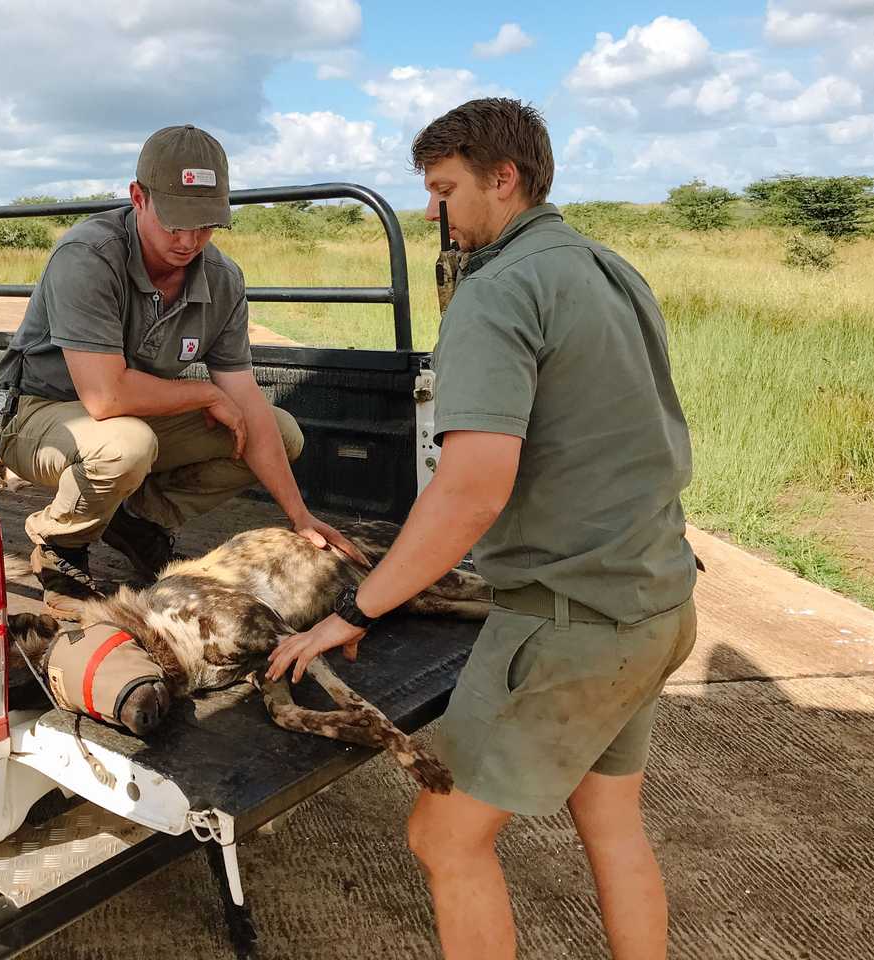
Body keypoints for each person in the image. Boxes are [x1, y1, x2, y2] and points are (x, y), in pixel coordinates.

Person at [267, 98, 699, 960]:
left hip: (571, 623)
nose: (433, 212)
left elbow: (469, 493)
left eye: (444, 189)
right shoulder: (608, 268)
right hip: (656, 599)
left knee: (444, 837)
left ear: (504, 179)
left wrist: (355, 612)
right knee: (609, 817)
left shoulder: (498, 291)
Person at [0, 123, 360, 616]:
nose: (189, 240)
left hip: (129, 420)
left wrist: (301, 518)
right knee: (125, 445)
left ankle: (136, 522)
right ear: (137, 197)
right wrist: (205, 395)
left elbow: (245, 397)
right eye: (174, 223)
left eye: (205, 224)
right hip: (38, 413)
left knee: (278, 430)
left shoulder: (222, 279)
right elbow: (105, 398)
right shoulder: (88, 256)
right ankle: (61, 546)